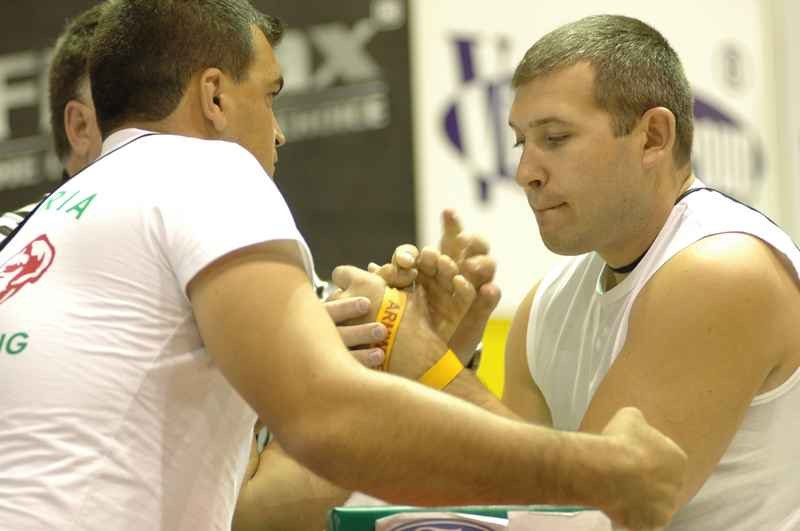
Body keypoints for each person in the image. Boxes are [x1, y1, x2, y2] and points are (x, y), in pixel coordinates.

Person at [0, 3, 688, 530]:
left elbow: (260, 473)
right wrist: (601, 468)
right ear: (213, 98)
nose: (279, 131)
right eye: (270, 95)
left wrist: (418, 355)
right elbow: (331, 421)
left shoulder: (53, 221)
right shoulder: (204, 170)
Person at [386, 13, 800, 531]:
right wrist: (450, 356)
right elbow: (507, 504)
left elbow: (590, 519)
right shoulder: (545, 306)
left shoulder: (723, 269)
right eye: (520, 143)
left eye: (555, 138)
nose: (525, 173)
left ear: (653, 136)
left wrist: (429, 364)